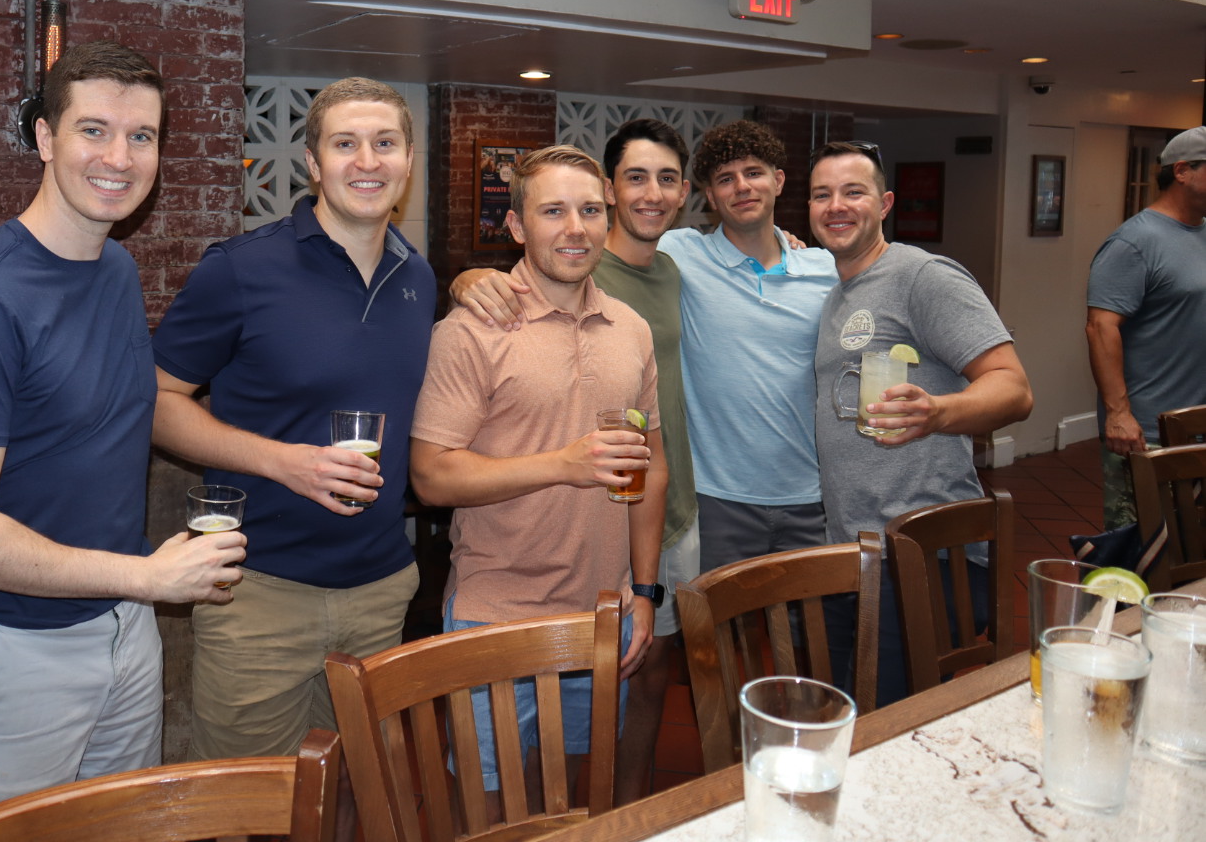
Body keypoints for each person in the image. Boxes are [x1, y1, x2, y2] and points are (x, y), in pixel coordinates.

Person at [0, 42, 243, 820]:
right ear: (46, 138)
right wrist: (145, 579)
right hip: (13, 650)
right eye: (93, 130)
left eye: (142, 136)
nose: (118, 157)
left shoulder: (115, 267)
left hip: (121, 627)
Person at [151, 78, 434, 773]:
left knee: (356, 790)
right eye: (345, 144)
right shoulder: (242, 269)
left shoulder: (419, 279)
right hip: (259, 595)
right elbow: (156, 401)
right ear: (313, 163)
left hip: (381, 590)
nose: (367, 160)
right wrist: (285, 463)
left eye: (385, 143)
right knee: (252, 805)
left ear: (407, 163)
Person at [454, 119, 835, 577]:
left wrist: (786, 243)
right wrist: (468, 280)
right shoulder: (578, 267)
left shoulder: (679, 262)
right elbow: (534, 271)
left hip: (676, 505)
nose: (652, 194)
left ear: (684, 195)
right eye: (636, 177)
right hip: (570, 524)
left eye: (667, 180)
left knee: (670, 640)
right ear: (610, 191)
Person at [449, 119, 696, 801]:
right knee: (503, 803)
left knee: (580, 786)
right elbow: (432, 474)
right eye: (553, 211)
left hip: (600, 612)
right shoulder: (473, 327)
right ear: (518, 227)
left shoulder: (633, 327)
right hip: (496, 612)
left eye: (589, 210)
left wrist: (645, 593)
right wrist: (564, 463)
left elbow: (652, 470)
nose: (575, 227)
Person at [808, 140, 1032, 704]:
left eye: (853, 192)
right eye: (822, 194)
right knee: (849, 718)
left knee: (893, 725)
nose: (836, 205)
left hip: (921, 553)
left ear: (884, 204)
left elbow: (1014, 387)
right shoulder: (840, 289)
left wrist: (938, 412)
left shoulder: (923, 276)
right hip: (855, 549)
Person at [1086, 125, 1206, 528]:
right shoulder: (1134, 242)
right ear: (1183, 171)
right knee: (1141, 551)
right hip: (1149, 429)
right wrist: (1119, 414)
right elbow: (1101, 327)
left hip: (1197, 424)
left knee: (1191, 550)